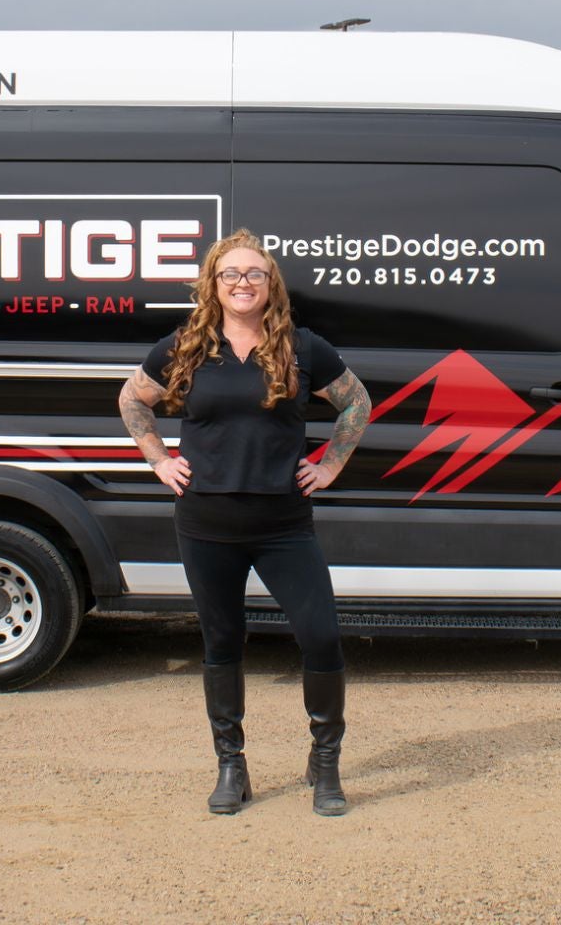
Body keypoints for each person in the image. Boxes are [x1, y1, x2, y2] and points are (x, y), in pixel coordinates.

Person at [118, 229, 372, 817]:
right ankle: (231, 766)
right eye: (230, 273)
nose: (242, 283)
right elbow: (133, 399)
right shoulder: (184, 346)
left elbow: (356, 402)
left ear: (269, 284)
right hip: (206, 520)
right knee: (223, 641)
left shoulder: (304, 347)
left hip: (283, 521)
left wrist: (330, 464)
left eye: (254, 274)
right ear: (213, 283)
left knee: (322, 637)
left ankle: (325, 763)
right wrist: (158, 459)